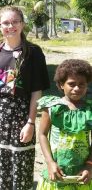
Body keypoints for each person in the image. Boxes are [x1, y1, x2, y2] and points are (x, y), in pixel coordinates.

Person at [0, 5, 50, 189]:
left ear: (22, 24)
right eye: (6, 23)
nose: (11, 26)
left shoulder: (33, 53)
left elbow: (36, 91)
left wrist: (31, 123)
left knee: (18, 170)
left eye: (15, 22)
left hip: (20, 121)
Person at [37, 59, 92, 190]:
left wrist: (89, 166)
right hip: (57, 172)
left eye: (82, 84)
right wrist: (50, 163)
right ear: (61, 84)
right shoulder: (52, 107)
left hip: (82, 174)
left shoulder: (89, 110)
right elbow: (42, 134)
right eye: (71, 84)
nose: (77, 88)